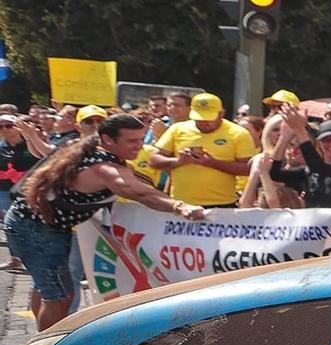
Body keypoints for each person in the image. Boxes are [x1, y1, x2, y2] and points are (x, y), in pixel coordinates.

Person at [4, 113, 206, 328]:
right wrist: (179, 206)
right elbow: (140, 193)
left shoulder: (83, 147)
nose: (139, 146)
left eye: (141, 139)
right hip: (35, 229)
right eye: (132, 141)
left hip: (32, 223)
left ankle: (40, 342)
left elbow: (45, 152)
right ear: (108, 140)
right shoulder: (104, 168)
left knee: (48, 289)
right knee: (59, 297)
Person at [142, 92, 256, 208]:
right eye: (199, 118)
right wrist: (178, 161)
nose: (203, 122)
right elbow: (153, 161)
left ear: (221, 113)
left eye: (209, 118)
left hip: (222, 204)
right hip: (181, 203)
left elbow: (247, 169)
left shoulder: (238, 133)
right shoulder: (177, 129)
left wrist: (212, 163)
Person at [239, 118, 305, 209]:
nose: (281, 133)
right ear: (267, 133)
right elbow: (245, 203)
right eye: (275, 129)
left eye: (285, 128)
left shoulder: (303, 158)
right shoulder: (261, 160)